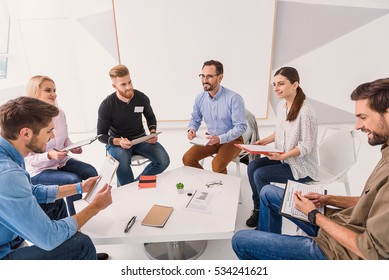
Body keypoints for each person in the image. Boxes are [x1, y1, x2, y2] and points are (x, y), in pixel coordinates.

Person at [232, 77, 389, 260]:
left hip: (339, 251)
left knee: (240, 240)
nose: (358, 125)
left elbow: (370, 250)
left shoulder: (305, 112)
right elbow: (368, 201)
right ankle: (271, 248)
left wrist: (314, 215)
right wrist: (327, 199)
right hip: (345, 221)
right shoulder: (385, 149)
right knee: (266, 190)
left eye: (363, 117)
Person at [0, 96, 112, 260]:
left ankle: (70, 252)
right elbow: (48, 238)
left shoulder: (8, 153)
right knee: (81, 245)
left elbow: (31, 191)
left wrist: (80, 187)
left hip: (7, 232)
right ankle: (77, 253)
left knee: (55, 202)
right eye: (48, 131)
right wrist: (95, 207)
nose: (52, 137)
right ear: (26, 133)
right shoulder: (8, 175)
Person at [245, 66, 319, 228]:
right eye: (274, 84)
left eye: (281, 84)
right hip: (283, 158)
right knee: (252, 167)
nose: (276, 88)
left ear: (295, 85)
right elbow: (280, 132)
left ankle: (268, 220)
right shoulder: (282, 106)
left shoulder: (306, 112)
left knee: (260, 175)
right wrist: (263, 142)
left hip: (301, 167)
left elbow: (306, 146)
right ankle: (259, 209)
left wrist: (283, 156)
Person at [25, 75, 98, 216]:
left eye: (54, 90)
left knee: (91, 171)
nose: (53, 94)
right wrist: (49, 154)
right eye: (48, 90)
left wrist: (73, 146)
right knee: (73, 180)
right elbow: (29, 159)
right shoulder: (29, 121)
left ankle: (93, 210)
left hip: (61, 161)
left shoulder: (60, 114)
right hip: (40, 170)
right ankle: (76, 218)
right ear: (35, 92)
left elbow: (65, 141)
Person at [97, 64, 170, 186]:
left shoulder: (141, 98)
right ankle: (128, 191)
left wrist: (152, 132)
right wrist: (118, 141)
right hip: (117, 143)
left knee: (163, 161)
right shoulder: (107, 105)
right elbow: (101, 135)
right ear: (114, 86)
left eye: (130, 82)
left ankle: (135, 186)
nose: (129, 87)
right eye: (123, 84)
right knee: (121, 158)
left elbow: (151, 117)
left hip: (140, 139)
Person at [183, 60, 247, 174]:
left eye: (209, 76)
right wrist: (191, 129)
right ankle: (207, 183)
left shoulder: (234, 98)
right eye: (202, 76)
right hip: (211, 139)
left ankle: (223, 190)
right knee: (187, 159)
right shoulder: (200, 98)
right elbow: (195, 119)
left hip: (232, 140)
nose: (204, 80)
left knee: (217, 165)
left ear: (220, 78)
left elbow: (241, 127)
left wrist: (220, 139)